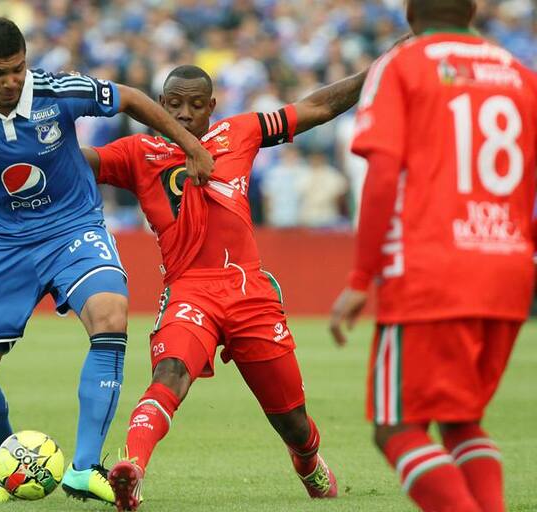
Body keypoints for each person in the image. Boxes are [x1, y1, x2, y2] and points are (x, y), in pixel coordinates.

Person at [0, 18, 213, 505]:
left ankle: (84, 467)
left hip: (74, 229)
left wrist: (191, 145)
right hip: (4, 244)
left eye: (18, 69)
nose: (10, 81)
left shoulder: (60, 91)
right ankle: (10, 464)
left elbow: (132, 99)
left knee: (110, 314)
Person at [81, 63, 369, 511]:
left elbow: (316, 107)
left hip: (248, 291)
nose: (185, 113)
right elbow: (78, 162)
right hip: (189, 292)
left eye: (196, 105)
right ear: (160, 106)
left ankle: (308, 460)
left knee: (292, 421)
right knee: (169, 374)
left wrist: (377, 71)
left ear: (212, 106)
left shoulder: (240, 132)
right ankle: (132, 469)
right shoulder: (139, 152)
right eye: (175, 104)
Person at [329, 1, 537, 511]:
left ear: (409, 12)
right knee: (462, 421)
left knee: (397, 427)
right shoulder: (519, 75)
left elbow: (382, 176)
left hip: (432, 268)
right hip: (508, 268)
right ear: (473, 9)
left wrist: (360, 278)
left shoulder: (401, 65)